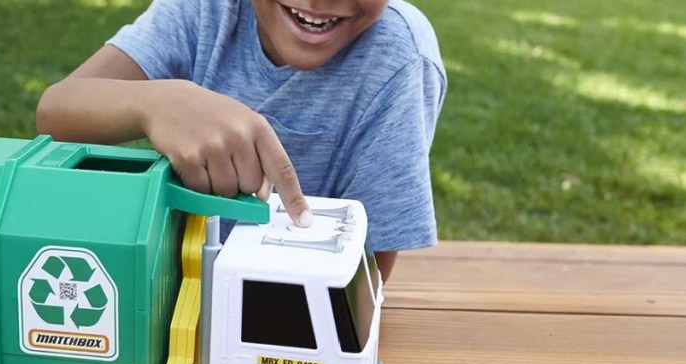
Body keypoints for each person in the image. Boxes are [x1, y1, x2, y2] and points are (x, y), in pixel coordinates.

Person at [36, 0, 446, 280]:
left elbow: (366, 281)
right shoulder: (205, 11)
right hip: (161, 293)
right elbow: (56, 112)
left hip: (281, 333)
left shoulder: (401, 60)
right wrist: (156, 101)